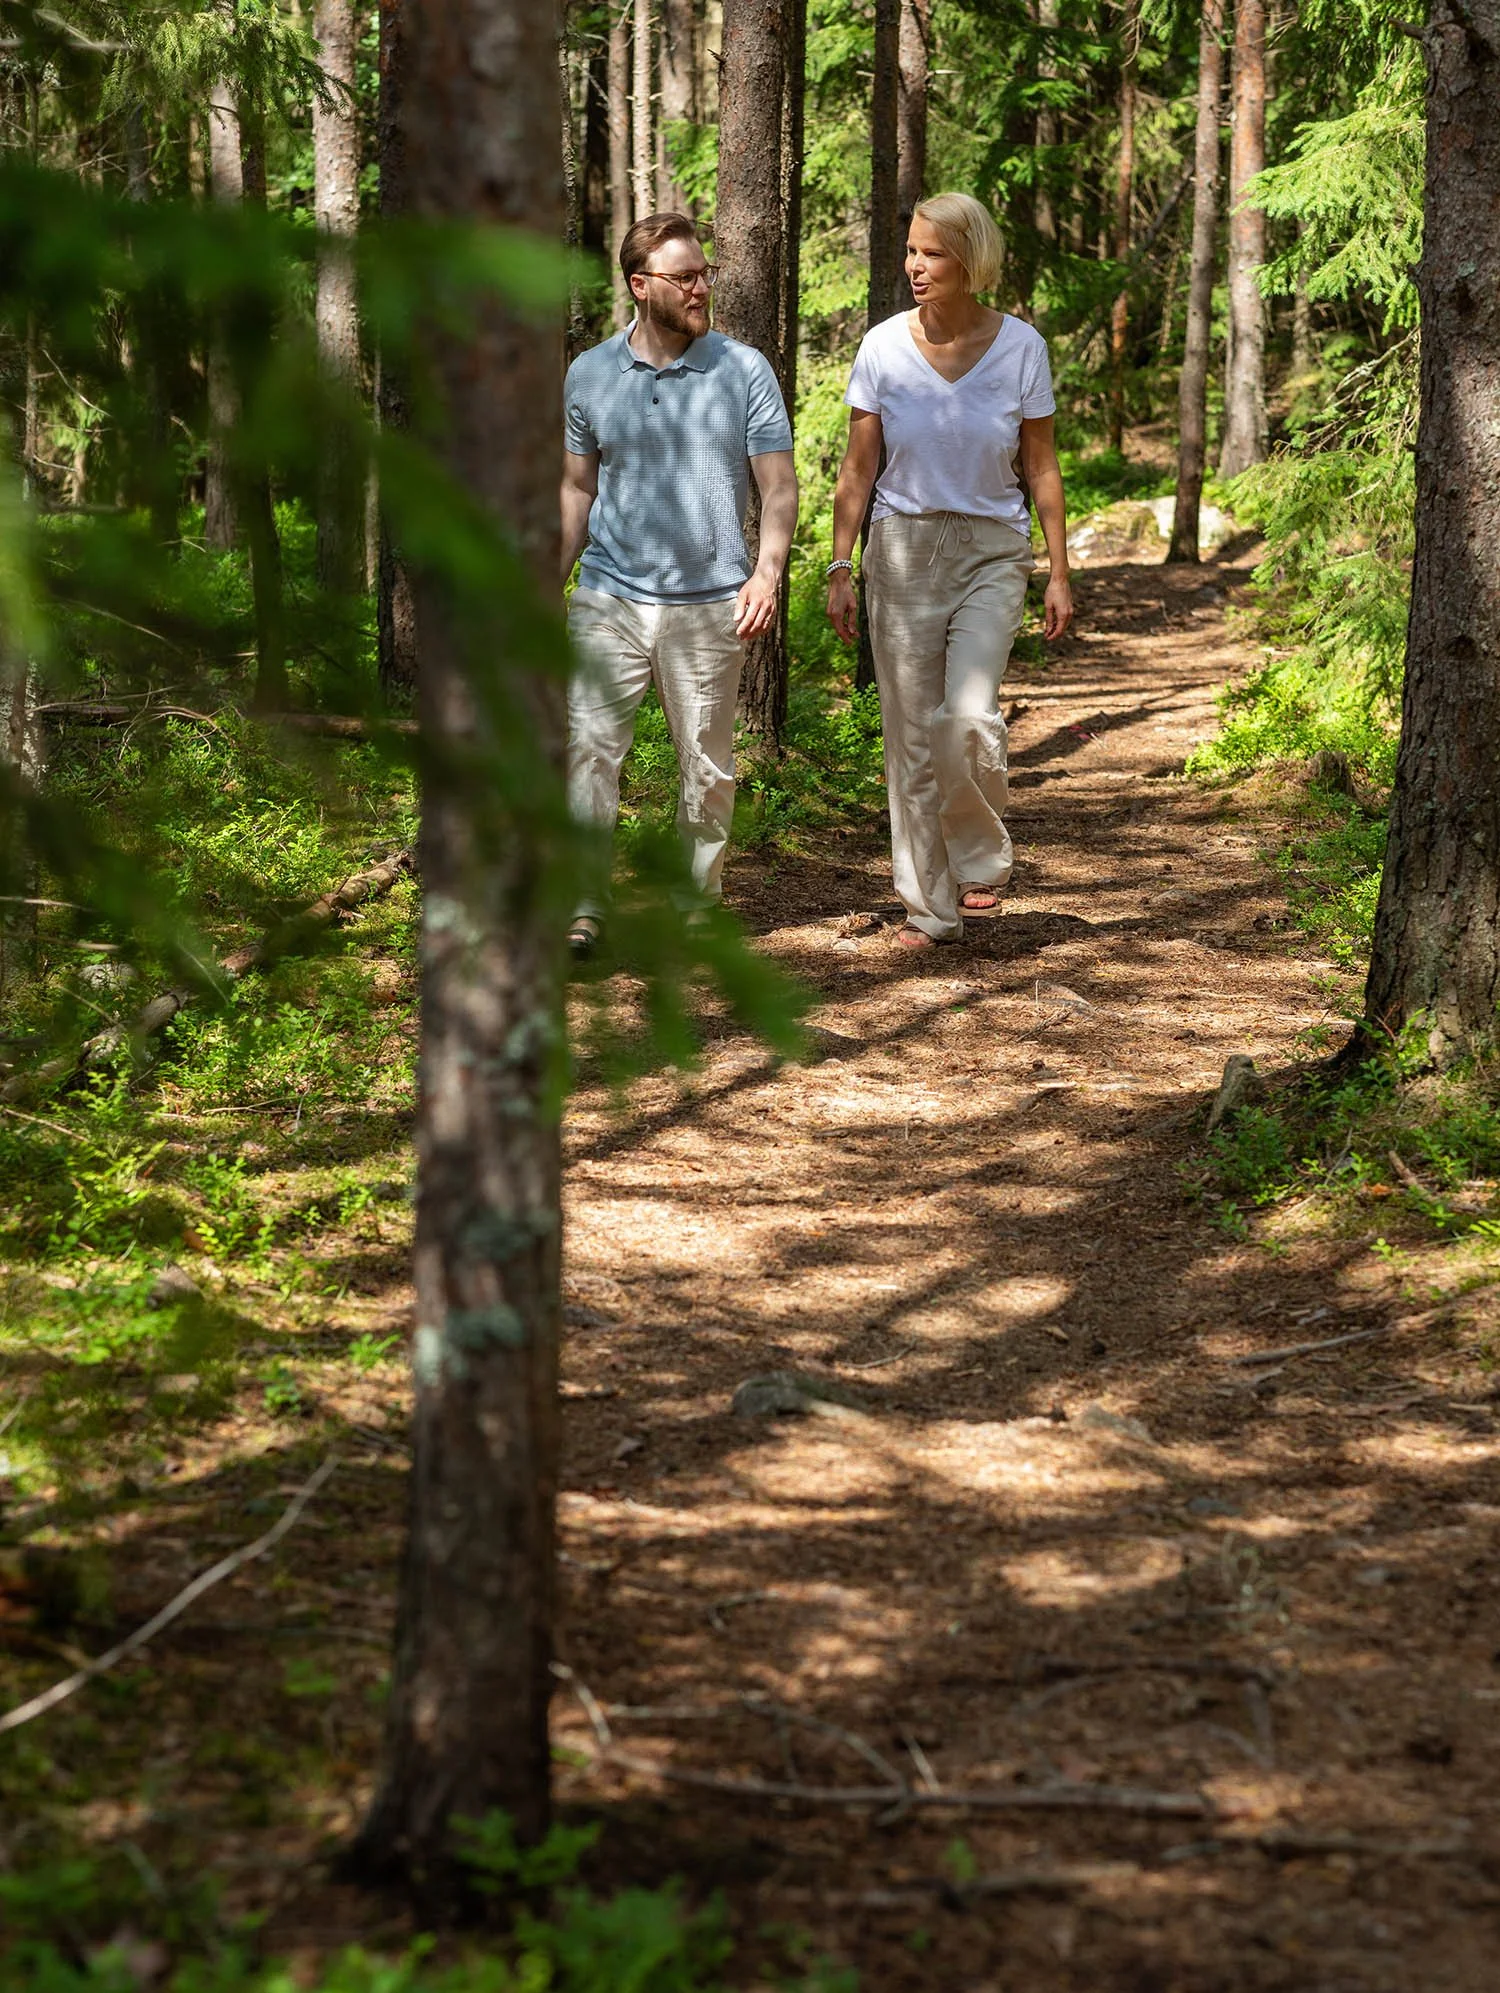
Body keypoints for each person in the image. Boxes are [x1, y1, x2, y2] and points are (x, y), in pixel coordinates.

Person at [826, 192, 1074, 948]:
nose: (913, 266)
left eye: (930, 253)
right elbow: (857, 469)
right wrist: (841, 564)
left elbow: (1042, 466)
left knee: (966, 716)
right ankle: (927, 909)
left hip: (993, 549)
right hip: (900, 550)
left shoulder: (1021, 348)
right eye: (910, 250)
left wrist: (1060, 572)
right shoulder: (881, 348)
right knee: (909, 734)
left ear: (971, 261)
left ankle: (979, 861)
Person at [560, 212, 798, 956]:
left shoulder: (743, 369)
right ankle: (584, 906)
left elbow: (781, 487)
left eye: (706, 273)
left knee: (706, 761)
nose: (702, 287)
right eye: (685, 277)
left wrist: (767, 571)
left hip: (708, 604)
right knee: (590, 749)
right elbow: (575, 491)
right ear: (641, 285)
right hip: (609, 595)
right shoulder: (590, 373)